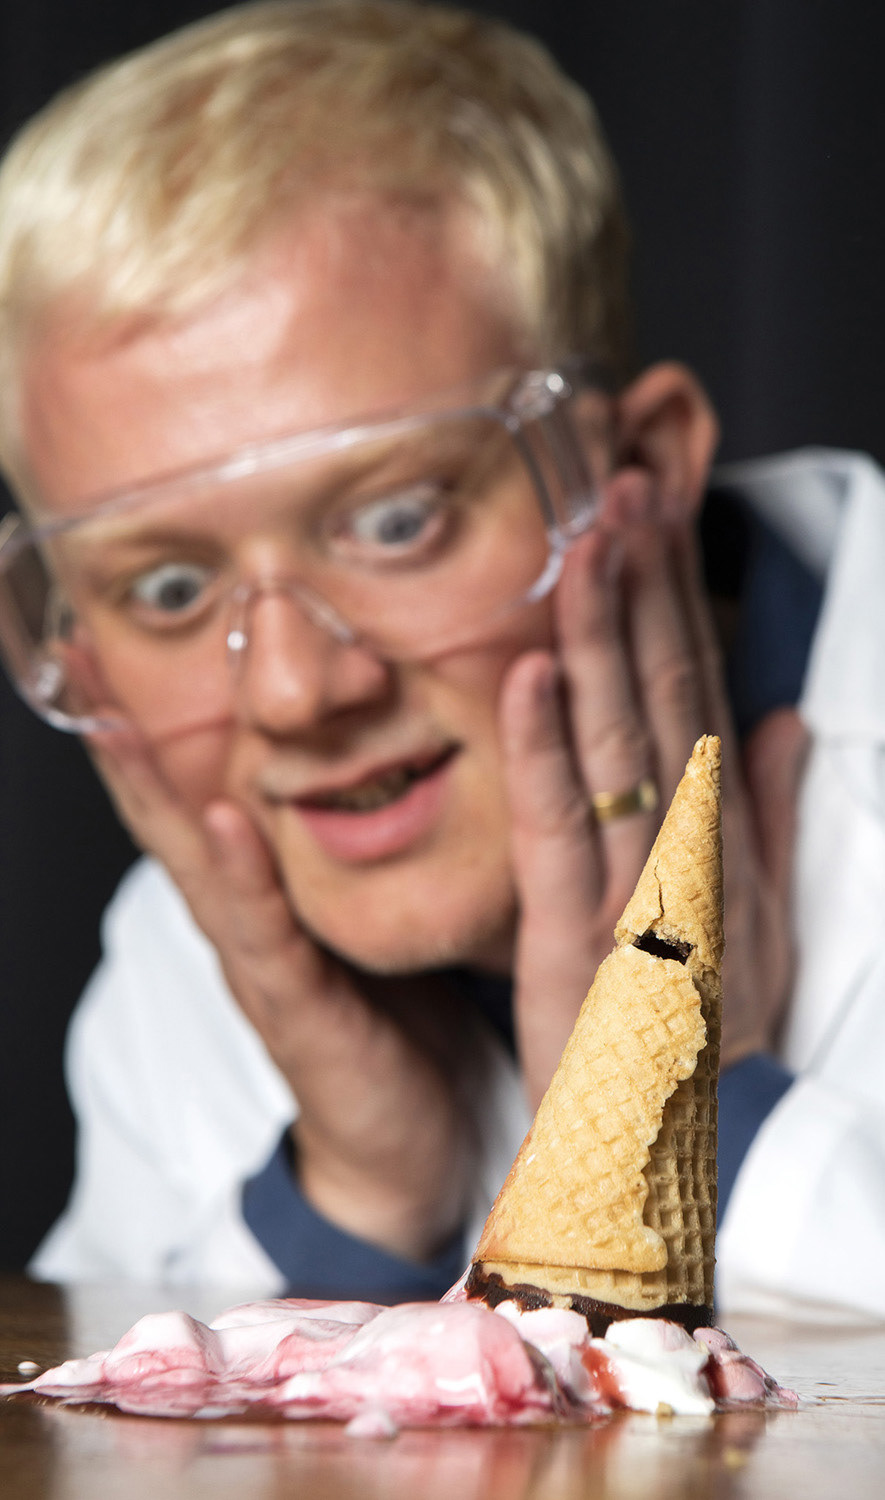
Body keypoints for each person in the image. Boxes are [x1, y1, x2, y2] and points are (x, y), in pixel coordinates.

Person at [0, 0, 876, 1316]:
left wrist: (679, 1120)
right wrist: (350, 1203)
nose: (296, 690)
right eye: (171, 587)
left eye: (397, 520)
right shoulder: (182, 963)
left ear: (630, 469)